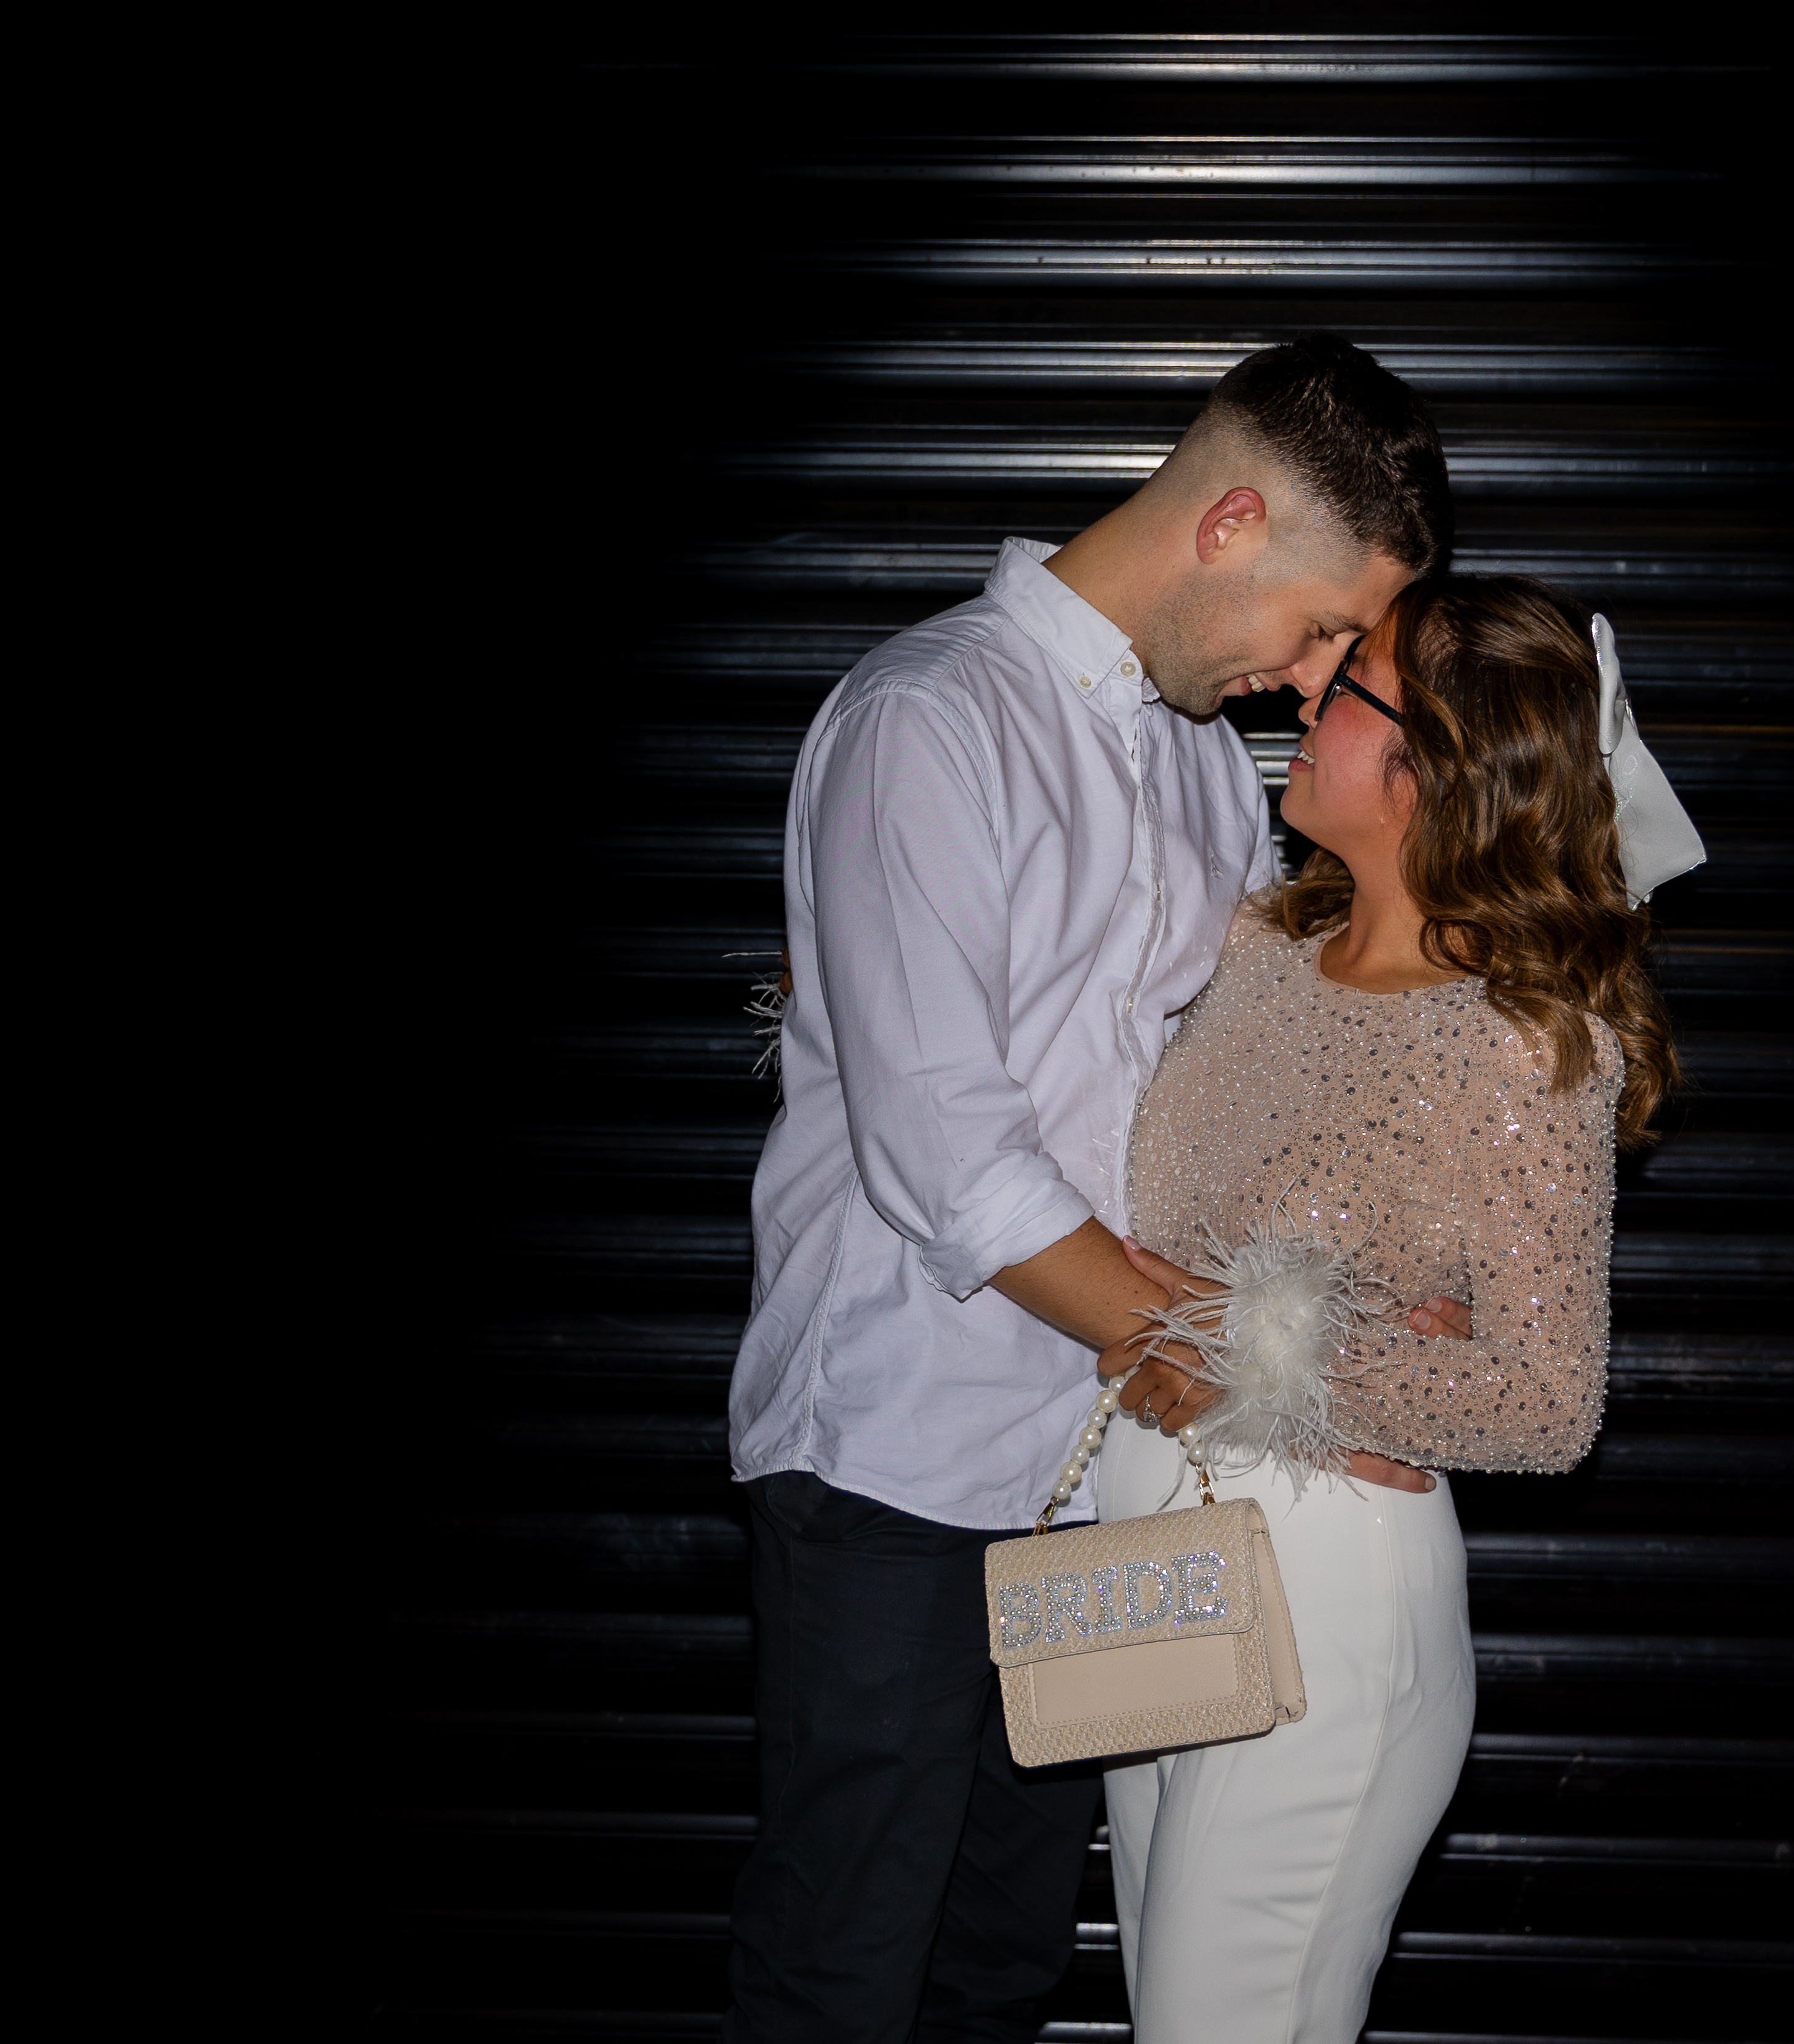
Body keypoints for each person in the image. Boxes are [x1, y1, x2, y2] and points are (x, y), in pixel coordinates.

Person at [723, 336, 1454, 2044]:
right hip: (897, 1460)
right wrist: (1270, 1376)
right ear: (1233, 525)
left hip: (1099, 1477)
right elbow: (950, 1158)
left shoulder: (1197, 757)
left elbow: (1222, 1103)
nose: (1316, 679)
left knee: (1006, 1961)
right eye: (1324, 628)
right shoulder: (926, 717)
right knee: (847, 1968)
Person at [1097, 575, 1694, 2044]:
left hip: (1329, 1594)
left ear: (1437, 762)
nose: (1305, 693)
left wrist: (1258, 1350)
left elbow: (1545, 1401)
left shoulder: (1521, 1040)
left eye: (1349, 679)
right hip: (1152, 1564)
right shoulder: (1252, 949)